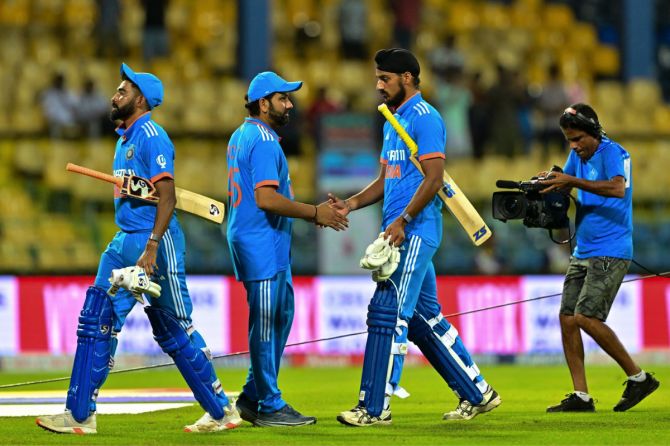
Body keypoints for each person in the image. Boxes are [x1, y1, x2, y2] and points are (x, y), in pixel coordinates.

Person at [36, 63, 242, 434]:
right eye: (116, 90)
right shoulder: (124, 139)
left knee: (173, 328)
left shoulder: (152, 135)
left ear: (141, 99)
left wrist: (151, 246)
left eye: (122, 91)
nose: (114, 95)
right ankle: (80, 414)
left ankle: (221, 410)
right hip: (124, 239)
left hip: (155, 243)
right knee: (96, 318)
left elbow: (168, 197)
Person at [330, 48, 501, 426]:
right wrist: (350, 204)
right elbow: (386, 179)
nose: (378, 85)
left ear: (407, 77)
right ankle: (478, 392)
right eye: (377, 78)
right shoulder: (393, 120)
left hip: (414, 231)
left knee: (387, 311)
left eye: (385, 79)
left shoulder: (425, 118)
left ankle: (374, 408)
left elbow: (434, 178)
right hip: (398, 229)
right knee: (426, 318)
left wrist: (404, 220)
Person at [226, 71, 348, 427]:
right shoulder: (264, 140)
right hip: (259, 241)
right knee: (266, 322)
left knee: (281, 317)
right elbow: (265, 198)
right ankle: (268, 403)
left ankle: (252, 395)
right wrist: (315, 213)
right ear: (263, 104)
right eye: (283, 98)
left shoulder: (242, 135)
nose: (290, 104)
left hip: (268, 241)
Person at [540, 103, 660, 412]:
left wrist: (571, 182)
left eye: (578, 139)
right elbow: (564, 182)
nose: (575, 146)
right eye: (569, 140)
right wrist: (548, 183)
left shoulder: (613, 153)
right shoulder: (577, 156)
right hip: (584, 249)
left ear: (593, 132)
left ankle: (639, 377)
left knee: (586, 317)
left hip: (612, 248)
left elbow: (618, 188)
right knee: (567, 317)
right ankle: (581, 396)